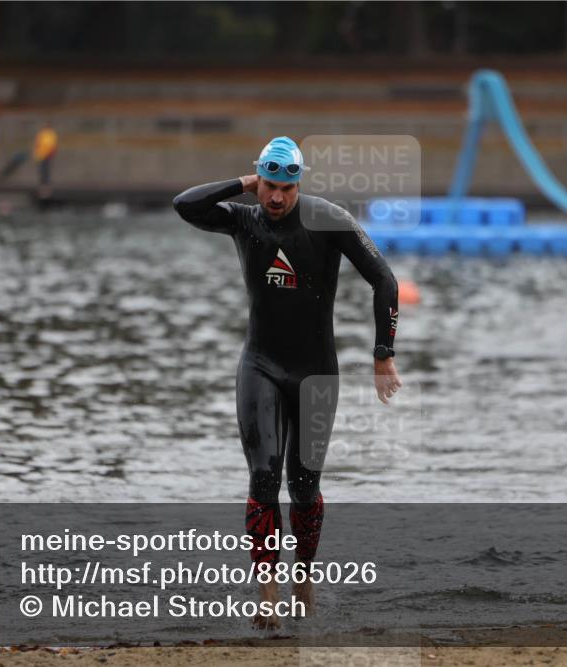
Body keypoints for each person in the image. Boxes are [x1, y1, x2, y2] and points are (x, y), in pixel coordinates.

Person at [172, 137, 402, 628]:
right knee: (263, 476)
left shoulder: (328, 219)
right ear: (261, 181)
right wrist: (242, 185)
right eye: (270, 187)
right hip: (261, 365)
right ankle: (268, 595)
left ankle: (304, 581)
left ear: (300, 183)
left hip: (317, 372)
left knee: (304, 487)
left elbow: (385, 280)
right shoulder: (243, 217)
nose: (277, 199)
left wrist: (383, 355)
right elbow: (184, 205)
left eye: (287, 189)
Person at [32, 122, 58, 198]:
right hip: (41, 154)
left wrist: (52, 153)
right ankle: (43, 184)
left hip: (46, 154)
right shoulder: (44, 134)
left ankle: (46, 185)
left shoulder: (50, 134)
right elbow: (38, 143)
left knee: (46, 170)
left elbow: (53, 145)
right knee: (43, 170)